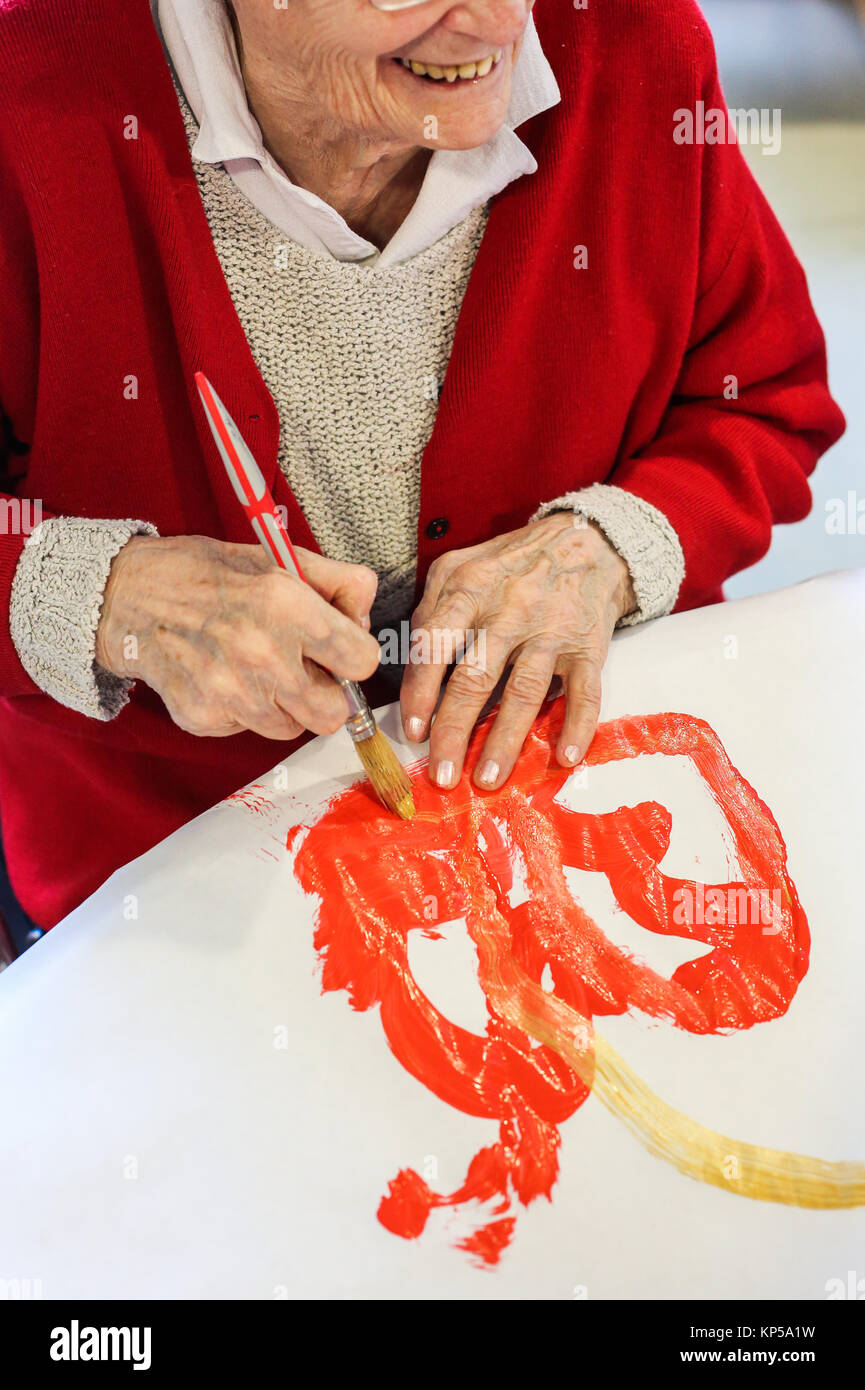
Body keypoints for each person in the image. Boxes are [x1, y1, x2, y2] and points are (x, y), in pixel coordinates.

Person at [0, 0, 844, 931]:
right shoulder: (27, 99)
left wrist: (606, 548)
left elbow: (760, 398)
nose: (495, 21)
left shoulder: (630, 42)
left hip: (578, 839)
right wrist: (105, 598)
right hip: (166, 894)